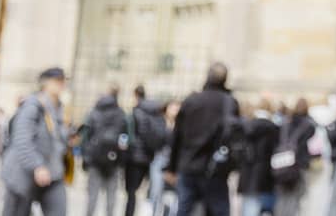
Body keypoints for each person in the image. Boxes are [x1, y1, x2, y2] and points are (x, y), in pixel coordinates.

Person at [166, 63, 240, 216]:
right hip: (214, 168)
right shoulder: (228, 102)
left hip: (189, 165)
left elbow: (177, 136)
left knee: (184, 209)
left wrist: (172, 167)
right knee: (218, 210)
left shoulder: (191, 101)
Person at [3, 68, 71, 216]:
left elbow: (58, 139)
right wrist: (37, 165)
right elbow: (22, 139)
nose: (62, 84)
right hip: (24, 173)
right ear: (45, 82)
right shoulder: (32, 105)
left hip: (53, 172)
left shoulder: (60, 108)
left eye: (63, 80)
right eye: (57, 80)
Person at [80, 87, 127, 216]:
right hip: (114, 160)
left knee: (92, 195)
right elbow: (125, 137)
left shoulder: (94, 112)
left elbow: (85, 137)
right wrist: (121, 158)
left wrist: (86, 157)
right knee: (111, 196)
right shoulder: (121, 113)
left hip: (95, 159)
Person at [269, 101, 316, 216]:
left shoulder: (285, 123)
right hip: (299, 165)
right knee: (294, 198)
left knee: (282, 197)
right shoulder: (309, 125)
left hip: (281, 163)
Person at [123, 87, 165, 216]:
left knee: (131, 191)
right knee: (150, 192)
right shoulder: (156, 113)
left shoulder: (137, 112)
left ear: (136, 95)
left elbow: (130, 135)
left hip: (134, 157)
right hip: (150, 156)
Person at [237, 101, 279, 216]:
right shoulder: (273, 128)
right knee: (262, 203)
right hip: (265, 169)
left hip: (247, 168)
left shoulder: (247, 126)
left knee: (248, 202)